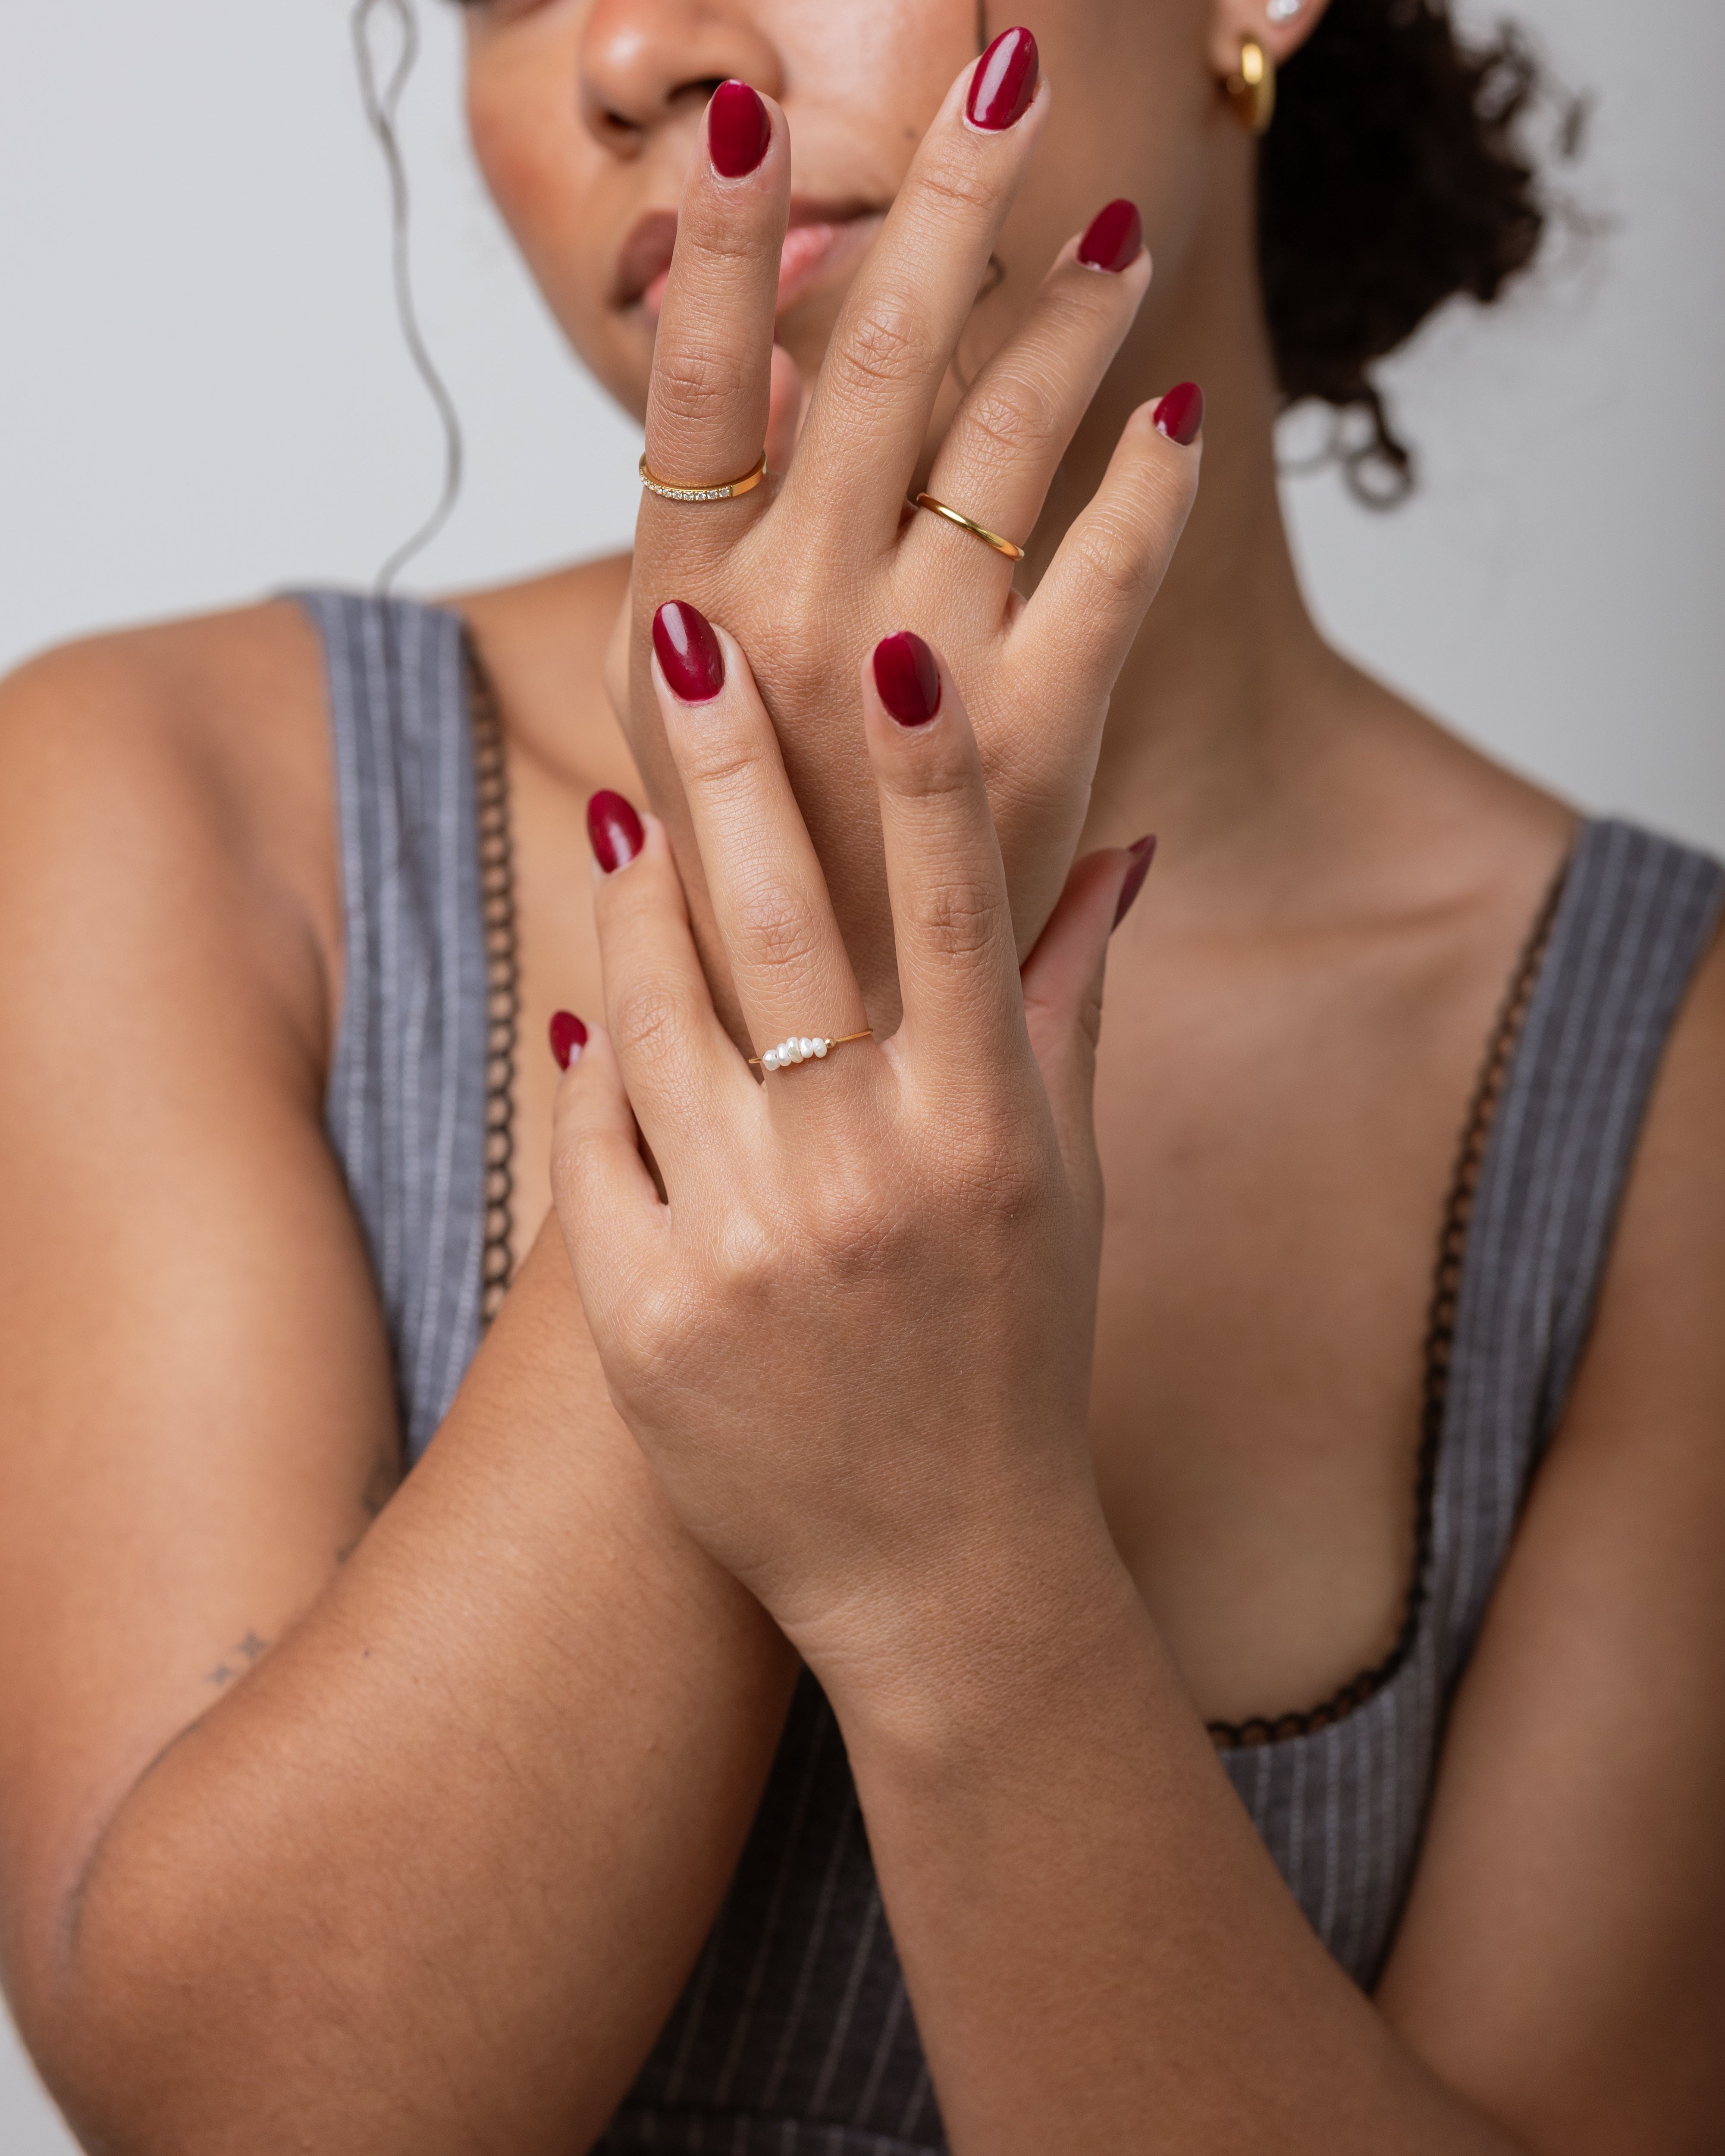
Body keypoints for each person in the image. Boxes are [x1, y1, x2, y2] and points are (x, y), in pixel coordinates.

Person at [0, 1, 1720, 2150]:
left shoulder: (1668, 1084)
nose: (624, 49)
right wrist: (787, 922)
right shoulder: (177, 804)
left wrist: (950, 1553)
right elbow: (256, 2109)